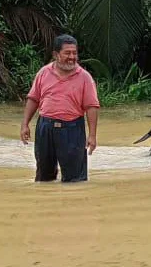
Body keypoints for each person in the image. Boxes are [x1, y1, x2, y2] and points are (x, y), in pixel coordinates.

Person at [20, 34, 100, 183]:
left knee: (75, 180)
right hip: (45, 128)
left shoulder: (85, 77)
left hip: (72, 130)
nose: (72, 57)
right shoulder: (43, 73)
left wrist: (92, 135)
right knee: (44, 178)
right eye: (67, 53)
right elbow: (33, 99)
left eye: (74, 53)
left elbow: (92, 107)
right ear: (56, 54)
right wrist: (25, 124)